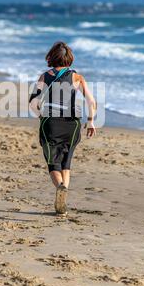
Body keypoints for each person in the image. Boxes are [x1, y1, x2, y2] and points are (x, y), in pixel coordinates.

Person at [29, 41, 96, 216]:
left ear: (51, 56)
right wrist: (90, 121)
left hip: (50, 122)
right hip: (72, 124)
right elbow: (91, 101)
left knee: (53, 162)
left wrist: (42, 117)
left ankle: (60, 187)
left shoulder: (45, 76)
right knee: (66, 162)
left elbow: (33, 102)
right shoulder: (77, 77)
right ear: (69, 58)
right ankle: (63, 197)